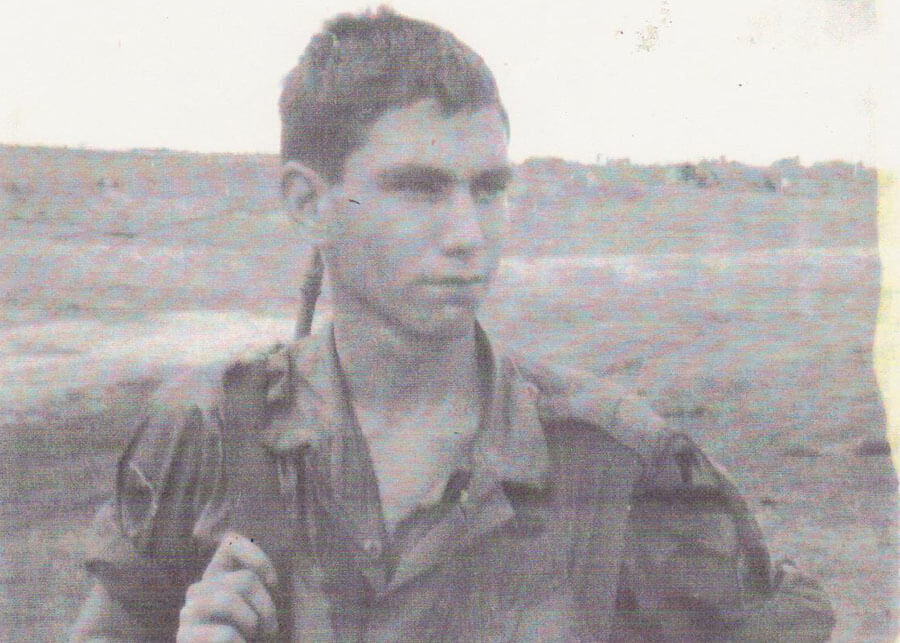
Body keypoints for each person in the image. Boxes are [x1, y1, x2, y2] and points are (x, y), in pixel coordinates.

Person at [72, 8, 835, 641]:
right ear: (309, 203)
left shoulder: (614, 459)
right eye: (420, 188)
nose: (469, 232)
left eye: (489, 187)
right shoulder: (206, 432)